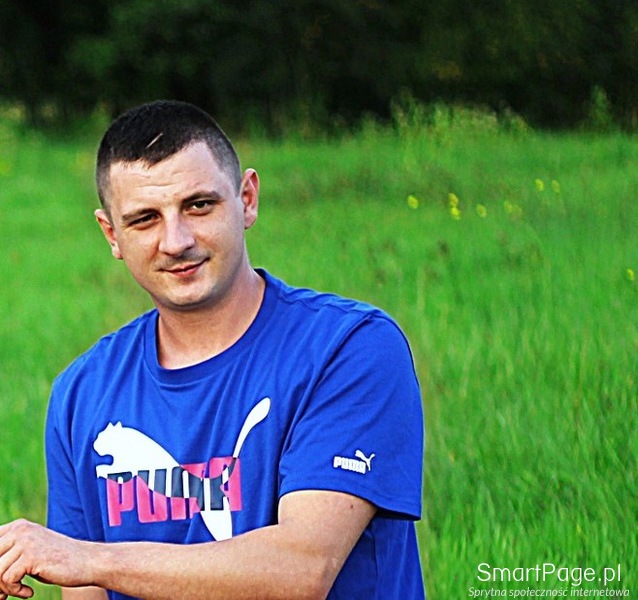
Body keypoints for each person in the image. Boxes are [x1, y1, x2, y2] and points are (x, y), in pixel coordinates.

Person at [0, 100, 425, 600]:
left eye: (199, 205)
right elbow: (85, 591)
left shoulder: (348, 348)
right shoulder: (83, 392)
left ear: (247, 200)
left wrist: (90, 559)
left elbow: (303, 568)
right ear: (111, 235)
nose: (175, 241)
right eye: (144, 219)